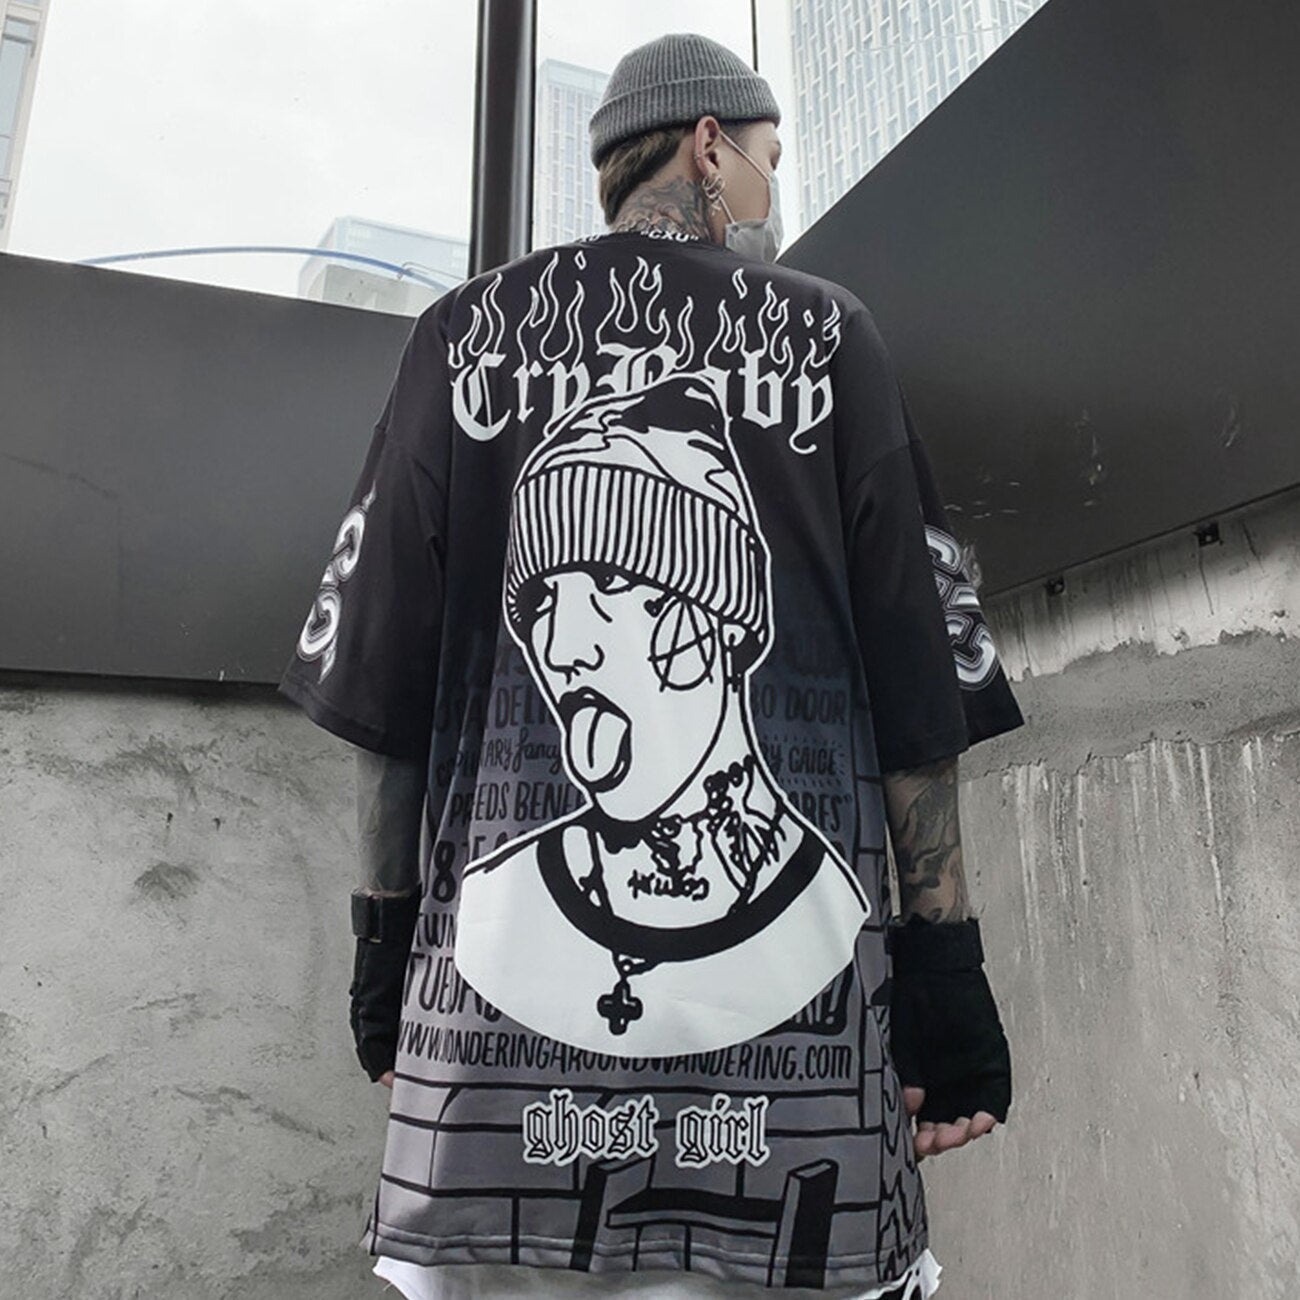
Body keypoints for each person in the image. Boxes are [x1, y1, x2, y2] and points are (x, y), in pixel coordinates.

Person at [278, 31, 1024, 1300]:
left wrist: (384, 951)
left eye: (617, 593)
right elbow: (917, 694)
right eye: (768, 158)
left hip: (482, 1113)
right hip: (802, 1117)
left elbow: (383, 703)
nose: (565, 642)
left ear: (711, 622)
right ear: (710, 146)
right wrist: (946, 976)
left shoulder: (460, 336)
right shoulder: (827, 335)